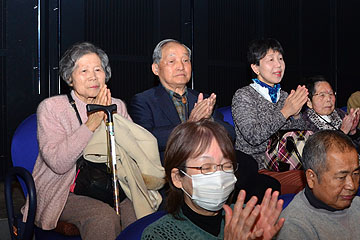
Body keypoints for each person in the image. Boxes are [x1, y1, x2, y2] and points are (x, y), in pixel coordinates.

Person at [21, 42, 136, 239]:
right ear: (69, 78)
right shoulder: (52, 108)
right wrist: (92, 123)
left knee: (139, 214)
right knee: (103, 217)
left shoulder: (117, 105)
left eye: (98, 69)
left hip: (111, 185)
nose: (93, 76)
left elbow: (133, 152)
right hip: (64, 190)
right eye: (83, 70)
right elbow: (58, 163)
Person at [141, 120, 284, 240]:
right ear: (178, 177)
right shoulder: (159, 235)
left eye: (226, 166)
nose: (219, 177)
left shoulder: (249, 218)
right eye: (206, 167)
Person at [129, 39, 235, 163]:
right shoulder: (144, 100)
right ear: (156, 69)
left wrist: (208, 121)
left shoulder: (202, 99)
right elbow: (145, 140)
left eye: (185, 60)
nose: (181, 67)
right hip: (168, 169)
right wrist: (190, 125)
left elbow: (230, 135)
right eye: (172, 61)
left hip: (206, 164)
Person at [231, 38, 308, 194]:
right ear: (256, 68)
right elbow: (253, 136)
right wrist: (285, 112)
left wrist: (297, 115)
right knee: (315, 182)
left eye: (280, 58)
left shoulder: (285, 96)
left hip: (288, 164)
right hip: (257, 168)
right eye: (270, 60)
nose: (278, 64)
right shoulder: (244, 95)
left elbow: (299, 137)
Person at [276, 130, 360, 239]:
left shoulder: (356, 204)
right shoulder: (295, 226)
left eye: (356, 174)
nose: (351, 186)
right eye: (341, 177)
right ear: (311, 178)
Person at [303, 75, 360, 150]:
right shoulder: (305, 122)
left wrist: (353, 132)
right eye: (322, 95)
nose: (328, 99)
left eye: (331, 94)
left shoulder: (340, 114)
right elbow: (319, 153)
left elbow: (356, 148)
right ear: (309, 102)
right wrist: (342, 132)